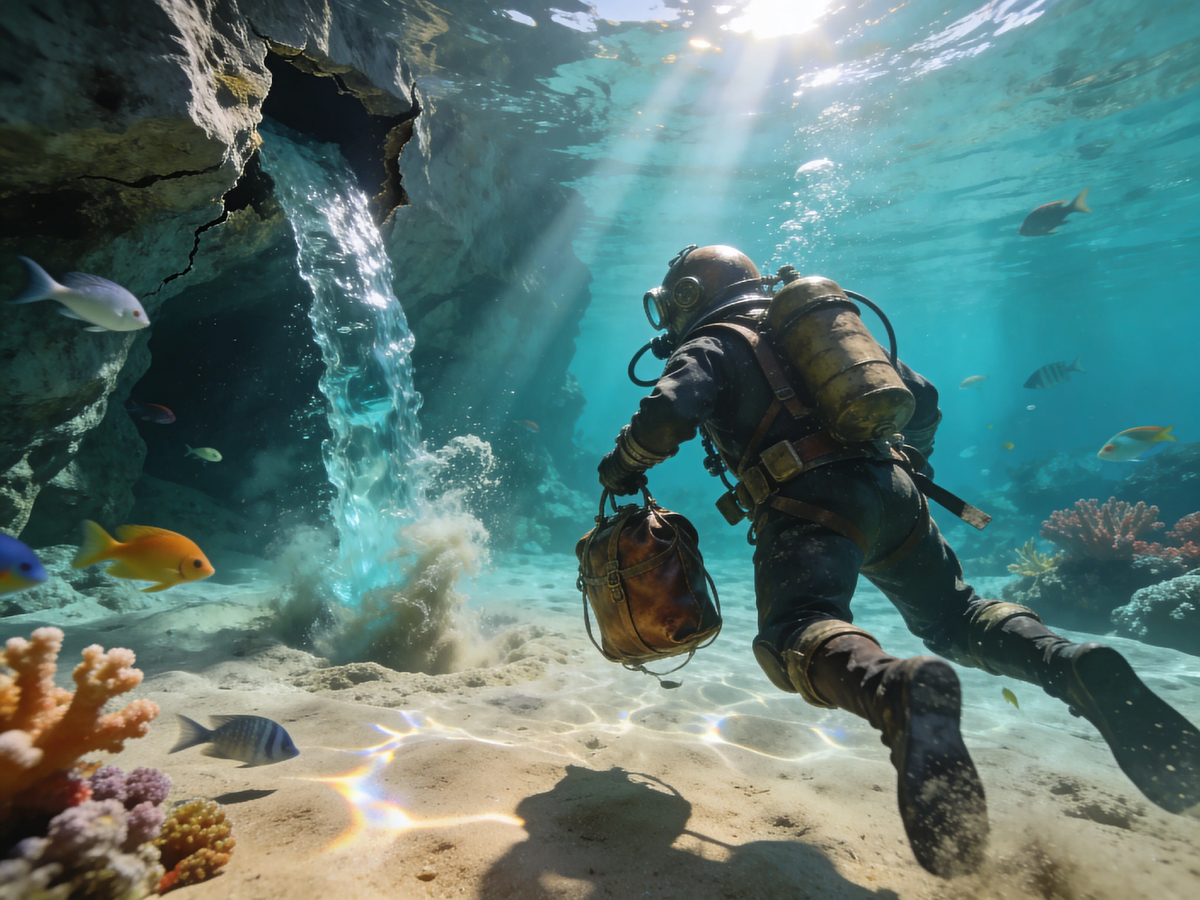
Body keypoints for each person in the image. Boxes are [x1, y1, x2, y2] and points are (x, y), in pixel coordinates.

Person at [597, 244, 1200, 878]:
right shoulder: (819, 327)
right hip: (896, 492)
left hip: (808, 506)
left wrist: (622, 465)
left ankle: (895, 692)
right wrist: (915, 465)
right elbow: (924, 396)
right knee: (957, 616)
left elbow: (669, 410)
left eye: (668, 306)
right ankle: (1070, 663)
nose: (665, 322)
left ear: (690, 294)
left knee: (794, 632)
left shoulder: (716, 341)